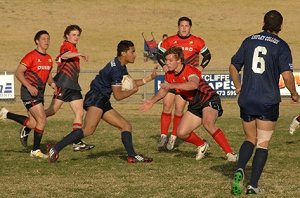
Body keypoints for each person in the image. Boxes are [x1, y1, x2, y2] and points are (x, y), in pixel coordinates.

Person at [47, 40, 157, 163]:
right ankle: (55, 148)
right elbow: (118, 95)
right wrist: (133, 91)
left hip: (102, 99)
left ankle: (132, 156)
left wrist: (149, 78)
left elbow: (130, 83)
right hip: (96, 98)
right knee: (88, 129)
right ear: (123, 53)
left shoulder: (120, 65)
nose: (135, 54)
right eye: (133, 51)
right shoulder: (116, 70)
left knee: (126, 126)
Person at [229, 10, 299, 195]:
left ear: (263, 23)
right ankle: (252, 186)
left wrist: (238, 88)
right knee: (262, 143)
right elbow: (287, 75)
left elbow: (233, 66)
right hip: (267, 100)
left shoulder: (249, 40)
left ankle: (240, 168)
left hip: (247, 98)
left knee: (249, 139)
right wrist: (294, 94)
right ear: (281, 26)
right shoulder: (281, 46)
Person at [141, 46, 237, 161]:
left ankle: (230, 154)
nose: (167, 63)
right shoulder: (170, 74)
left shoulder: (190, 70)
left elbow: (193, 85)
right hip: (194, 104)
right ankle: (202, 145)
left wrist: (172, 85)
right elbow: (163, 90)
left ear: (179, 60)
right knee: (181, 133)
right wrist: (152, 101)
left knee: (208, 123)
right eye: (166, 60)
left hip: (208, 98)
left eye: (170, 60)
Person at [19, 24, 95, 151]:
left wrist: (77, 53)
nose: (76, 37)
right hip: (63, 84)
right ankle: (28, 126)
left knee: (79, 112)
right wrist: (79, 53)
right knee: (51, 111)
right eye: (73, 35)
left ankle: (77, 142)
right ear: (67, 36)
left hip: (73, 86)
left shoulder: (73, 47)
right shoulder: (66, 45)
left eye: (78, 35)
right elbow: (65, 55)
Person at [156, 16, 212, 151]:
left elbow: (208, 55)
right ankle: (163, 135)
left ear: (190, 27)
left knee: (179, 109)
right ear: (178, 27)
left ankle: (173, 137)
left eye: (186, 26)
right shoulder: (169, 40)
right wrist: (163, 65)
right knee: (166, 105)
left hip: (186, 82)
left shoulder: (197, 41)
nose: (184, 28)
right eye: (182, 26)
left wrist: (201, 68)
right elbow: (159, 54)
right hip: (171, 79)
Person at [0, 30, 56, 159]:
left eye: (48, 39)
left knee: (33, 124)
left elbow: (48, 74)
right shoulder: (31, 56)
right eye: (43, 39)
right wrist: (29, 86)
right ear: (37, 41)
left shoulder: (48, 58)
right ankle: (35, 150)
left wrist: (52, 84)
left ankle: (6, 114)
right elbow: (18, 72)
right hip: (29, 93)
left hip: (39, 94)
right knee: (42, 119)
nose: (46, 41)